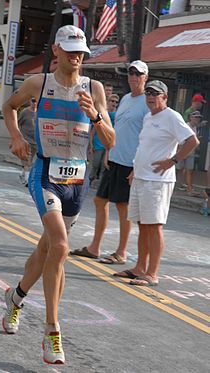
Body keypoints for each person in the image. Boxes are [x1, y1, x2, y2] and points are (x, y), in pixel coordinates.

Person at [1, 25, 115, 365]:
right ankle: (52, 331)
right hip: (45, 172)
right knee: (61, 246)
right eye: (69, 50)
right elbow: (9, 107)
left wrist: (94, 114)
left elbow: (110, 141)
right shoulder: (39, 84)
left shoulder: (94, 89)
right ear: (56, 51)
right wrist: (17, 136)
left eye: (80, 51)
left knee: (49, 250)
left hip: (77, 181)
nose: (76, 56)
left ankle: (15, 298)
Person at [114, 80, 199, 285]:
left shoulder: (171, 117)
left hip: (157, 182)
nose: (151, 97)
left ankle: (152, 273)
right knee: (143, 225)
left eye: (156, 93)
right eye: (148, 93)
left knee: (154, 227)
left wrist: (173, 161)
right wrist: (136, 169)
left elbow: (192, 141)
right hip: (141, 177)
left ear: (165, 97)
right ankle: (140, 268)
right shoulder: (147, 117)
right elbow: (145, 147)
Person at [70, 60, 149, 264]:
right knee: (99, 200)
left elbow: (148, 136)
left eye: (138, 74)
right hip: (114, 157)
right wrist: (107, 150)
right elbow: (116, 128)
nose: (133, 77)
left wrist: (138, 166)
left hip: (130, 162)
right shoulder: (125, 99)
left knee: (123, 206)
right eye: (131, 73)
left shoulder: (147, 103)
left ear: (145, 77)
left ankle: (121, 252)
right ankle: (94, 247)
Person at [89, 93, 119, 186]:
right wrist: (90, 142)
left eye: (116, 102)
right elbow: (94, 128)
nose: (114, 103)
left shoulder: (118, 115)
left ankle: (100, 184)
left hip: (109, 145)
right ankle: (90, 181)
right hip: (98, 143)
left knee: (104, 166)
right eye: (112, 101)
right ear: (107, 102)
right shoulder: (102, 113)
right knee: (95, 164)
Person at [176, 110, 202, 195]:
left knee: (189, 170)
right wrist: (182, 152)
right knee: (178, 169)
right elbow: (181, 139)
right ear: (191, 117)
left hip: (191, 152)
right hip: (183, 151)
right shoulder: (186, 126)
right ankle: (172, 184)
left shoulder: (195, 127)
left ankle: (189, 189)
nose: (197, 119)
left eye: (199, 118)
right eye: (195, 117)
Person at [18, 98, 37, 186]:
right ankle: (27, 180)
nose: (35, 103)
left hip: (36, 141)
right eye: (33, 101)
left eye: (36, 101)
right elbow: (18, 123)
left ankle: (23, 174)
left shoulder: (40, 112)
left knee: (31, 160)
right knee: (27, 160)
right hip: (26, 139)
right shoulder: (25, 112)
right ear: (30, 101)